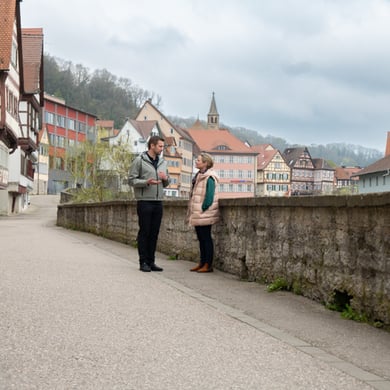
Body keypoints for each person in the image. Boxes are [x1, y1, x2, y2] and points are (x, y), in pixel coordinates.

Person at [128, 136, 170, 272]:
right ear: (152, 146)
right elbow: (131, 180)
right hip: (145, 201)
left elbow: (167, 182)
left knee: (154, 233)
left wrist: (165, 179)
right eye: (160, 146)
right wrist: (146, 182)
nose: (162, 149)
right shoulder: (139, 161)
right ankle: (143, 262)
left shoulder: (163, 162)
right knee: (144, 232)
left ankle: (151, 261)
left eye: (163, 147)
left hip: (158, 201)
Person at [187, 152, 219, 273]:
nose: (196, 161)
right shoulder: (199, 175)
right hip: (198, 213)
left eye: (198, 160)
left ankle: (208, 264)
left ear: (205, 163)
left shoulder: (209, 177)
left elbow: (209, 197)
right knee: (201, 238)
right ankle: (202, 262)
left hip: (204, 213)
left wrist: (202, 209)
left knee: (206, 238)